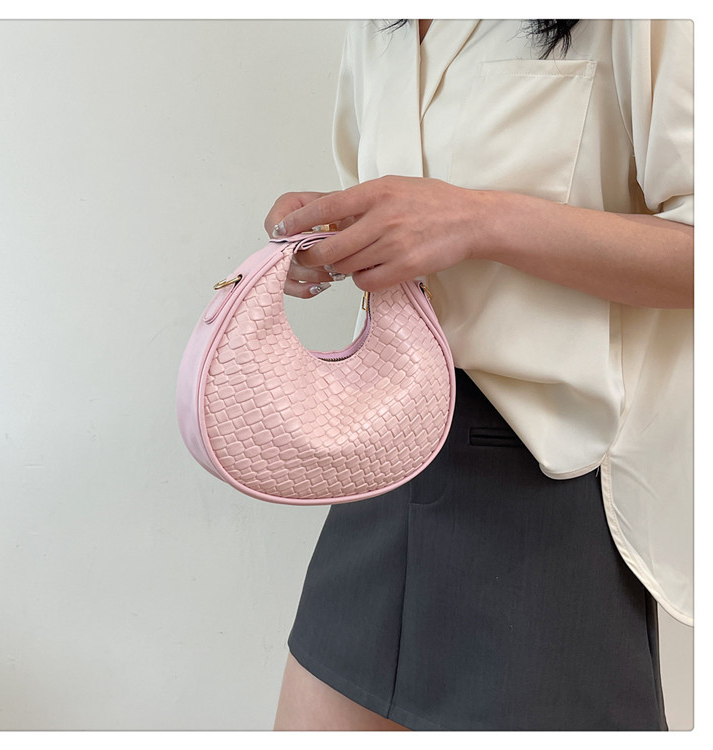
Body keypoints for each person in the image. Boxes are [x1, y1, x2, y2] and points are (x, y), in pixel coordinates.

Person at [265, 19, 693, 731]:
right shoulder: (377, 25)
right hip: (386, 463)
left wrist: (479, 220)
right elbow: (393, 216)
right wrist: (334, 233)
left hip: (547, 490)